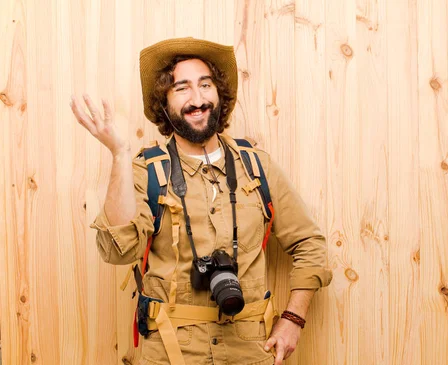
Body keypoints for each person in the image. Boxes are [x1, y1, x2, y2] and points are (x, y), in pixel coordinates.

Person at [70, 37, 332, 365]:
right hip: (170, 353)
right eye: (181, 88)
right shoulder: (146, 170)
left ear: (219, 93)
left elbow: (310, 243)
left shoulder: (256, 166)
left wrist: (293, 319)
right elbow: (118, 250)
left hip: (251, 353)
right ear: (163, 103)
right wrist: (119, 154)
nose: (197, 99)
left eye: (205, 85)